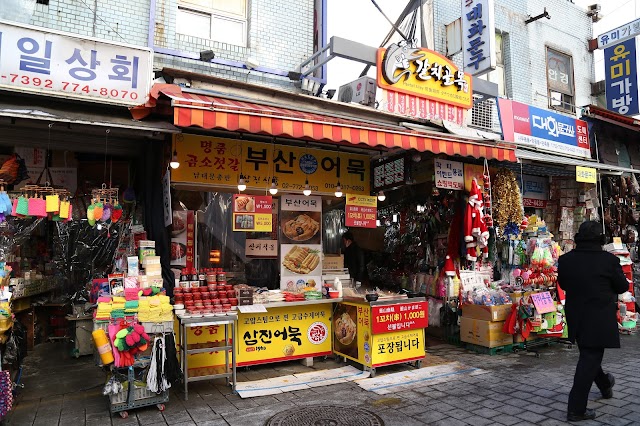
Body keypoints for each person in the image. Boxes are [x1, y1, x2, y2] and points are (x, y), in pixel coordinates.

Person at [558, 221, 628, 422]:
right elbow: (622, 286)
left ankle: (605, 384)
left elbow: (563, 283)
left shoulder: (566, 260)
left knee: (589, 354)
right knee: (589, 359)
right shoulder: (608, 261)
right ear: (600, 238)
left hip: (577, 317)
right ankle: (576, 409)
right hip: (598, 318)